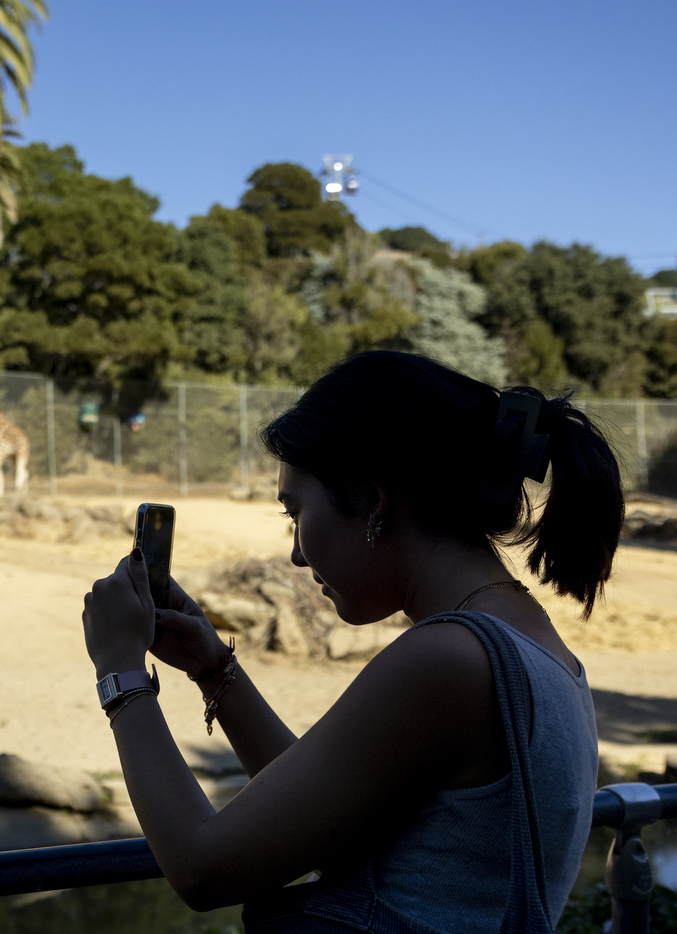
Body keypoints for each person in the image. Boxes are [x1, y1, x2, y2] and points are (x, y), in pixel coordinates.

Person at [82, 351, 623, 933]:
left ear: (370, 498)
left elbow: (201, 867)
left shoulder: (449, 659)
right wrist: (215, 670)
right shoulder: (530, 645)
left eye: (296, 513)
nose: (294, 551)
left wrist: (122, 674)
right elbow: (324, 812)